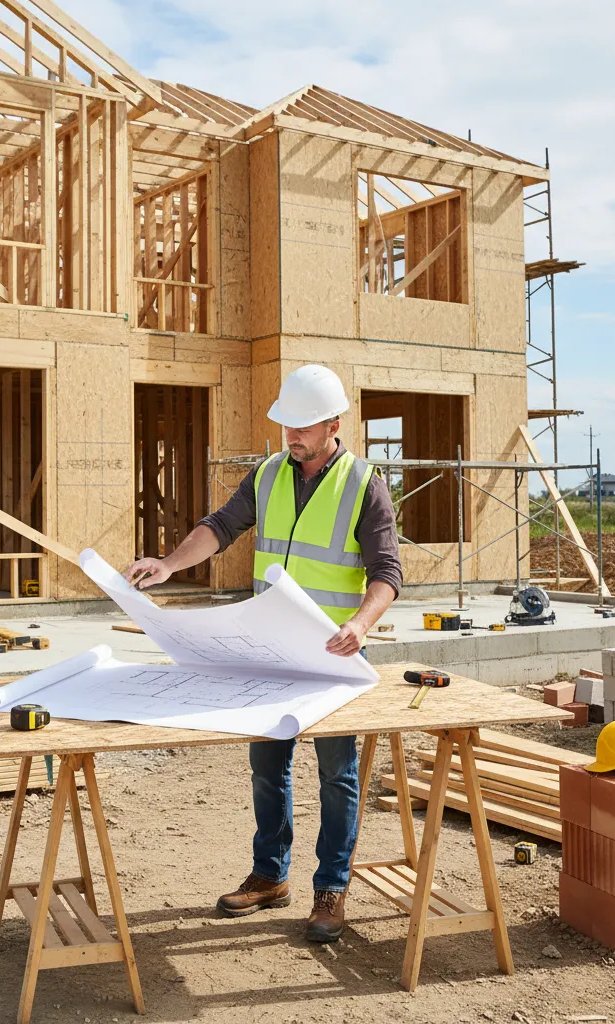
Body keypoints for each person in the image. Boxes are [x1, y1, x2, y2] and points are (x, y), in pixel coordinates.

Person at [124, 364, 402, 943]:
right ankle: (271, 876)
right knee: (266, 768)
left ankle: (331, 887)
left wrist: (360, 622)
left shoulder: (364, 482)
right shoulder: (270, 474)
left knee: (337, 774)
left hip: (330, 655)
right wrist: (170, 564)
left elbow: (387, 574)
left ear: (333, 424)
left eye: (301, 427)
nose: (290, 437)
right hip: (271, 653)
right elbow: (221, 526)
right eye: (285, 427)